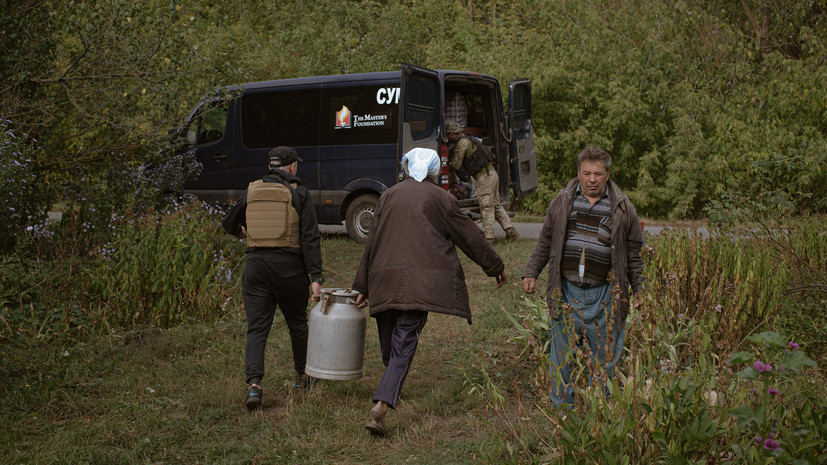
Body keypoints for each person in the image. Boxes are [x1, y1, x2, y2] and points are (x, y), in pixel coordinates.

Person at [352, 148, 508, 437]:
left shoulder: (387, 196)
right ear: (435, 172)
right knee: (403, 344)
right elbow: (470, 236)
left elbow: (370, 243)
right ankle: (382, 404)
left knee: (391, 343)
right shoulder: (443, 198)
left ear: (408, 168)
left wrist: (361, 286)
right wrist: (495, 266)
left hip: (383, 279)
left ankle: (390, 382)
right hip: (419, 284)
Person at [521, 145, 644, 408]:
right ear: (578, 173)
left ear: (608, 175)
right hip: (566, 291)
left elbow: (633, 254)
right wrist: (531, 271)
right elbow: (546, 241)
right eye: (586, 173)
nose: (591, 179)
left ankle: (599, 410)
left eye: (598, 174)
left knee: (605, 358)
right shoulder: (562, 201)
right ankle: (563, 411)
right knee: (561, 357)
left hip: (605, 296)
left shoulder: (622, 207)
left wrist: (641, 291)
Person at [221, 146, 324, 410]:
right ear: (291, 167)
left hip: (256, 267)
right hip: (288, 267)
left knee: (257, 329)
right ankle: (303, 376)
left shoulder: (252, 190)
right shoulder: (299, 192)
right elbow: (310, 238)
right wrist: (315, 277)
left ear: (269, 167)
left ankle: (254, 386)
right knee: (297, 325)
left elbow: (229, 223)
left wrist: (243, 233)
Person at [446, 121, 519, 242]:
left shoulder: (461, 144)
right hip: (492, 174)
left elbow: (456, 164)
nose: (448, 139)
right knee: (496, 205)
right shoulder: (470, 139)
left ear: (452, 134)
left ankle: (488, 239)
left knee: (486, 207)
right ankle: (511, 231)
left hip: (484, 178)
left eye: (448, 136)